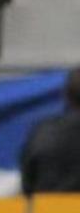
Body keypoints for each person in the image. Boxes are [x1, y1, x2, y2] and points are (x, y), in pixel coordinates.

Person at [20, 67, 80, 195]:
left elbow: (28, 186)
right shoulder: (43, 132)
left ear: (67, 96)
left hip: (48, 212)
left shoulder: (42, 132)